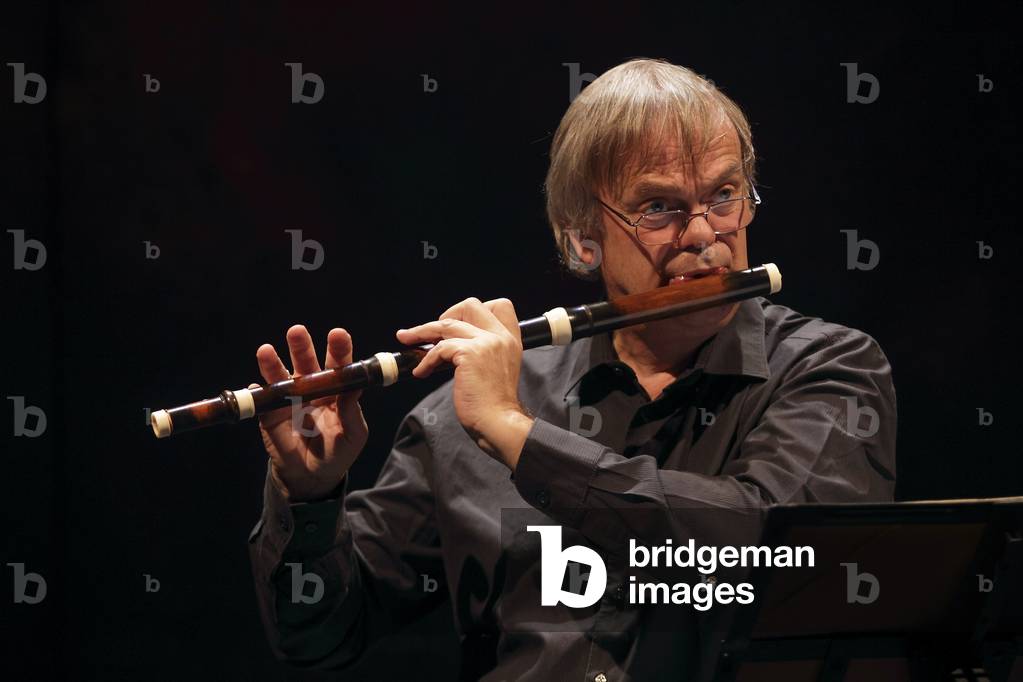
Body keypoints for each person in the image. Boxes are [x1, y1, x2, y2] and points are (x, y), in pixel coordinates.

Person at [247, 58, 896, 681]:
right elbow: (319, 637)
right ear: (582, 236)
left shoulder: (828, 369)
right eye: (658, 208)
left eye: (723, 195)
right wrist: (310, 501)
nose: (703, 234)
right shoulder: (462, 418)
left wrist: (517, 435)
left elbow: (771, 554)